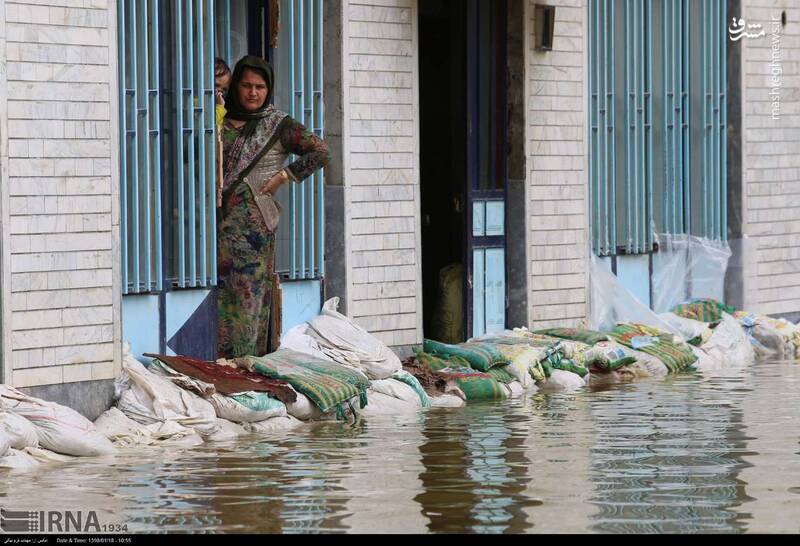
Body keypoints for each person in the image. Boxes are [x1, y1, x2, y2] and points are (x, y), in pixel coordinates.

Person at [217, 56, 330, 359]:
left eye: (260, 87)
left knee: (248, 296)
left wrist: (284, 176)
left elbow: (320, 152)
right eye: (246, 85)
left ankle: (245, 362)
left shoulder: (278, 125)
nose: (253, 93)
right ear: (235, 86)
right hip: (212, 227)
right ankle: (218, 362)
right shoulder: (219, 119)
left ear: (269, 89)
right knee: (217, 296)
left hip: (252, 234)